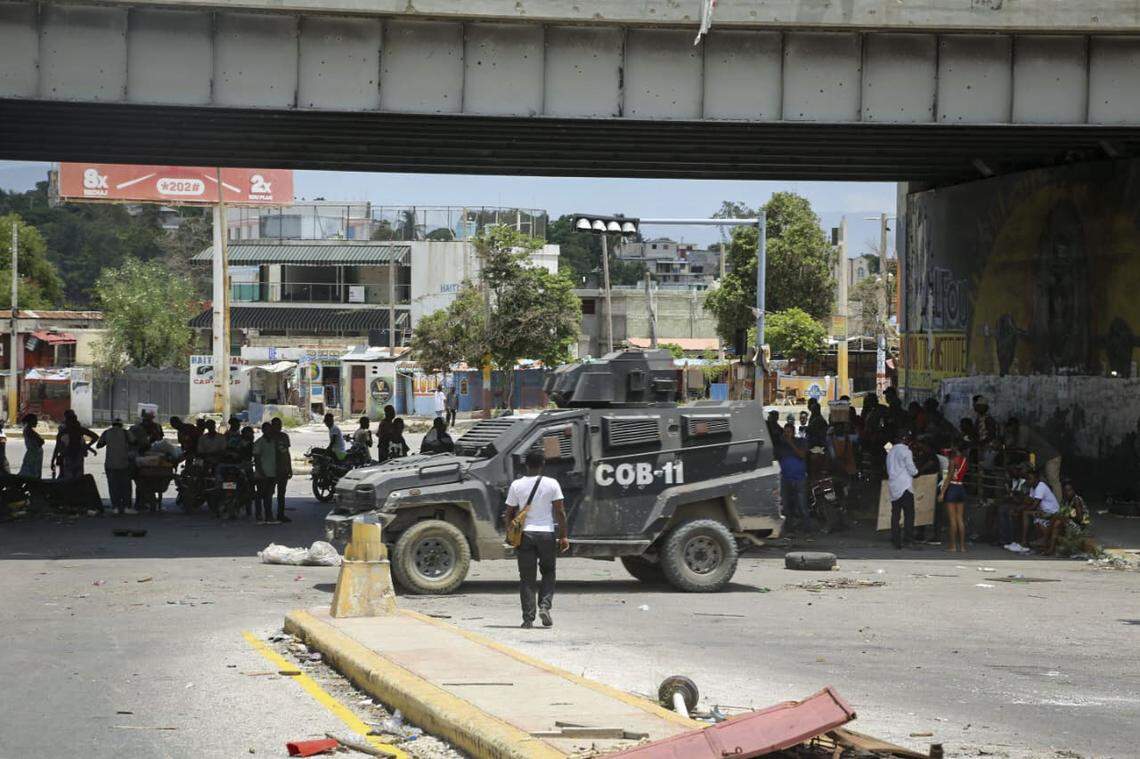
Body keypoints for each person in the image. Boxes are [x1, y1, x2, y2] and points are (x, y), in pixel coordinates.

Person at [504, 450, 569, 629]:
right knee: (548, 572)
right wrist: (563, 535)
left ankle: (528, 619)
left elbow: (508, 513)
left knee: (527, 578)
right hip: (547, 534)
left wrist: (510, 534)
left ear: (526, 465)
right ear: (543, 464)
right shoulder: (552, 483)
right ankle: (544, 606)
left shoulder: (516, 485)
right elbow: (560, 512)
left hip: (525, 535)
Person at [1004, 417, 1062, 500]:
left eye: (1010, 428)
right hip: (1041, 459)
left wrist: (1009, 447)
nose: (1009, 431)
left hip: (1051, 457)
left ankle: (1058, 504)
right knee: (1044, 481)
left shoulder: (1023, 430)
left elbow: (1021, 448)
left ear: (1015, 425)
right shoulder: (1015, 433)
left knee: (1053, 481)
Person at [777, 423, 814, 534]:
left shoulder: (801, 442)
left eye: (789, 432)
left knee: (802, 505)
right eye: (785, 432)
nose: (786, 434)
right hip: (785, 479)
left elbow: (802, 455)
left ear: (793, 432)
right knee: (786, 505)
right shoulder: (780, 445)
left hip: (799, 478)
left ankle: (807, 528)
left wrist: (791, 443)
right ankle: (790, 528)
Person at [886, 431, 919, 549]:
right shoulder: (906, 451)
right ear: (905, 439)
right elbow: (912, 469)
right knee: (909, 514)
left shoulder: (890, 452)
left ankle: (896, 541)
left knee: (895, 514)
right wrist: (916, 472)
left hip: (894, 486)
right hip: (905, 486)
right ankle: (908, 540)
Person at [98, 418, 134, 515]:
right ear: (121, 425)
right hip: (124, 463)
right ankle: (126, 507)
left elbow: (99, 445)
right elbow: (134, 442)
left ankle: (116, 507)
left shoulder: (106, 432)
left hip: (110, 464)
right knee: (126, 487)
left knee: (113, 487)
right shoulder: (125, 432)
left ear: (112, 424)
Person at [1047, 479, 1091, 556]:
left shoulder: (1076, 500)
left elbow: (1080, 519)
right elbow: (1061, 512)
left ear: (1074, 491)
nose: (1067, 493)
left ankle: (1049, 545)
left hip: (1080, 527)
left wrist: (1067, 518)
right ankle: (1050, 546)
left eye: (1069, 490)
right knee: (1057, 521)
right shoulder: (1066, 501)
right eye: (1065, 491)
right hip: (1070, 524)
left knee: (1058, 521)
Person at [1020, 467, 1060, 549]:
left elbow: (1034, 506)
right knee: (1027, 513)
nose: (1028, 481)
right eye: (1027, 479)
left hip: (1052, 512)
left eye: (1030, 479)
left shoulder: (1041, 487)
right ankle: (1030, 540)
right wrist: (1020, 507)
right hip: (1043, 511)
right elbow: (1029, 501)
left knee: (1026, 513)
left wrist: (1022, 509)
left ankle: (1024, 540)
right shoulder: (1033, 487)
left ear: (1036, 479)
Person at [52, 410, 97, 481]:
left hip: (68, 456)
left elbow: (57, 447)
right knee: (77, 478)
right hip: (77, 457)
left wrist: (53, 460)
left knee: (68, 479)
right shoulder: (79, 430)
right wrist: (87, 447)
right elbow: (94, 437)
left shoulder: (64, 431)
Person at [940, 442, 969, 552]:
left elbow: (949, 477)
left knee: (952, 520)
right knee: (960, 519)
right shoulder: (965, 461)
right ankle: (962, 546)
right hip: (961, 487)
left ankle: (952, 546)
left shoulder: (953, 461)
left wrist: (942, 492)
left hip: (952, 488)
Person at [251, 423, 277, 524]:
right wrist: (261, 472)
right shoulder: (259, 442)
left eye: (270, 429)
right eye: (267, 429)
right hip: (262, 474)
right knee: (260, 495)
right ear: (263, 430)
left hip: (272, 473)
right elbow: (257, 459)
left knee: (269, 496)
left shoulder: (274, 442)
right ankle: (259, 516)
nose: (269, 431)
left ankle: (268, 516)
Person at [270, 417, 292, 523]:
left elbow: (287, 453)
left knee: (281, 493)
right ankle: (269, 514)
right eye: (275, 425)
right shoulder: (268, 437)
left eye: (279, 425)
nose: (278, 427)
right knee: (269, 493)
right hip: (271, 469)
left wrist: (289, 467)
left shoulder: (284, 436)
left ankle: (280, 514)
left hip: (283, 468)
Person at [19, 414, 44, 479]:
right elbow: (41, 441)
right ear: (30, 421)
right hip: (34, 454)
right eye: (35, 420)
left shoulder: (29, 430)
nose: (36, 422)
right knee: (31, 473)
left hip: (34, 453)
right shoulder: (29, 430)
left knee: (30, 472)